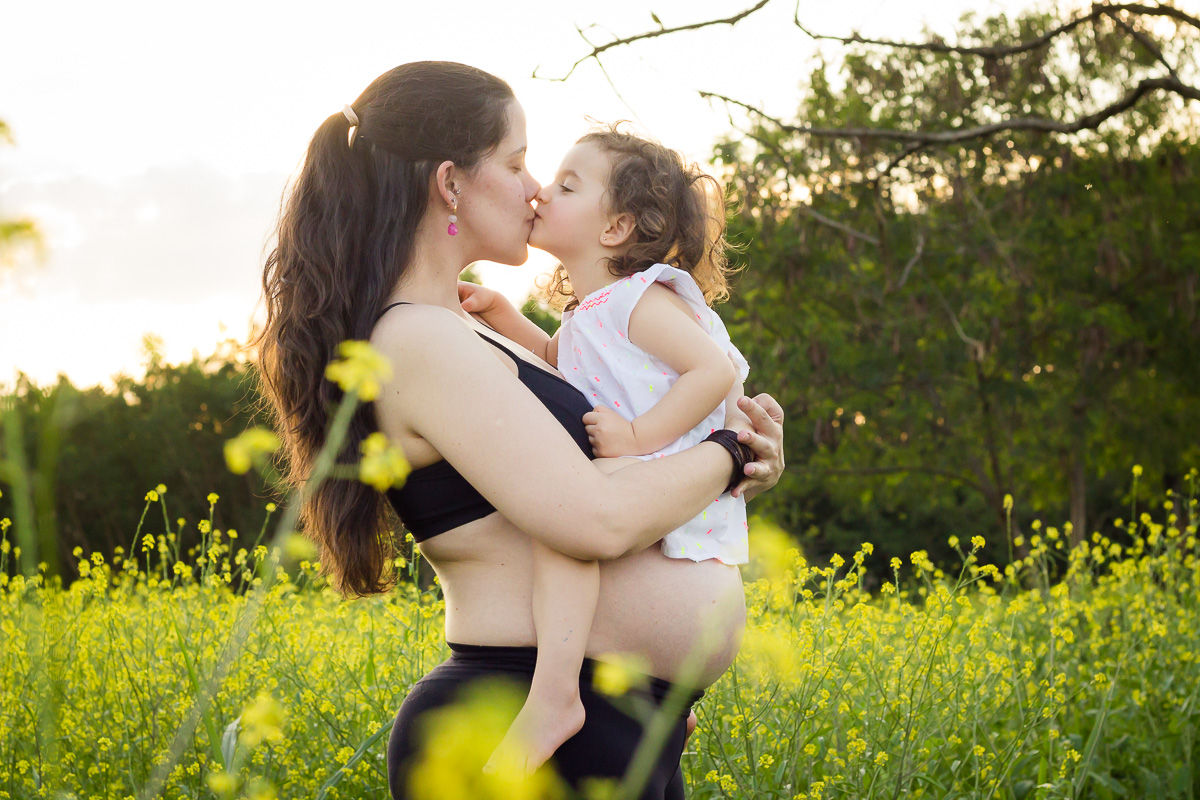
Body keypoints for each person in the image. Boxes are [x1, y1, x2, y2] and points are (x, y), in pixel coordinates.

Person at [253, 61, 786, 800]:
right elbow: (594, 519)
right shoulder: (415, 340)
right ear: (450, 183)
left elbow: (632, 470)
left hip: (622, 718)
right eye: (515, 161)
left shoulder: (475, 332)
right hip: (523, 715)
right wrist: (728, 455)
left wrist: (748, 458)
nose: (535, 187)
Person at [459, 126, 751, 775]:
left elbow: (714, 372)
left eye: (566, 185)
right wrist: (502, 314)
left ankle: (555, 698)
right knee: (564, 522)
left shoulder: (638, 300)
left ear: (616, 228)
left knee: (558, 523)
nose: (541, 192)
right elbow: (553, 362)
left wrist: (638, 437)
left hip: (662, 473)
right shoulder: (591, 315)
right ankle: (666, 697)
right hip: (657, 486)